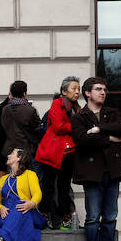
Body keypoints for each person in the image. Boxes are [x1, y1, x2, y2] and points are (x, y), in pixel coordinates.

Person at [71, 77, 121, 241]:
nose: (103, 92)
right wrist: (109, 138)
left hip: (113, 171)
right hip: (92, 173)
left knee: (110, 216)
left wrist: (99, 129)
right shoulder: (79, 116)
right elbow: (82, 141)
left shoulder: (112, 112)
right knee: (93, 217)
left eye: (104, 89)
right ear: (88, 93)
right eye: (98, 89)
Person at [35, 76, 81, 229]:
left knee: (64, 187)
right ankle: (46, 215)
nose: (77, 92)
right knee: (48, 186)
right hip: (53, 152)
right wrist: (76, 126)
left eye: (78, 89)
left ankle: (64, 217)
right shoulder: (57, 103)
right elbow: (58, 126)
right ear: (64, 91)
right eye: (73, 88)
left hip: (69, 154)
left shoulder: (77, 108)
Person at [0, 81, 40, 158]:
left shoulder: (5, 109)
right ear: (24, 94)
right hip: (26, 151)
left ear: (11, 93)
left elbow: (4, 126)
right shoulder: (29, 110)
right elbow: (38, 128)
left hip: (10, 150)